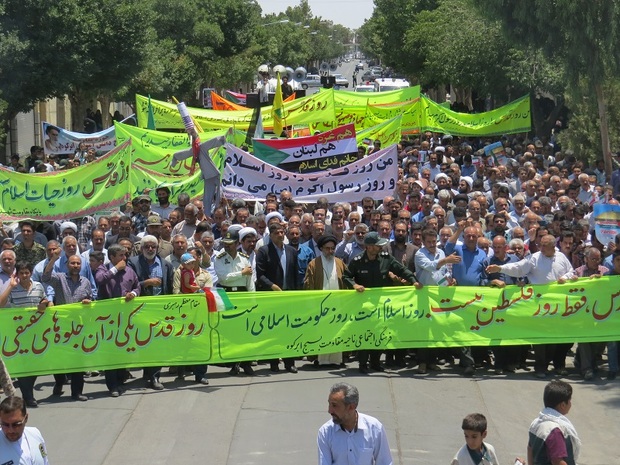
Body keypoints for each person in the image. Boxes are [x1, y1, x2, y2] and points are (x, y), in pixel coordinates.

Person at [343, 232, 421, 373]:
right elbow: (346, 276)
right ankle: (362, 364)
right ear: (370, 247)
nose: (381, 247)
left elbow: (401, 269)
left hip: (381, 303)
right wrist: (354, 285)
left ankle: (375, 362)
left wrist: (413, 280)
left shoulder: (385, 258)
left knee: (380, 332)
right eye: (378, 245)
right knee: (365, 333)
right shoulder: (357, 260)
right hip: (364, 304)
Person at [255, 222, 299, 373]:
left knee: (289, 331)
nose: (280, 235)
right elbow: (260, 275)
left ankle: (289, 362)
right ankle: (273, 362)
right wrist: (272, 285)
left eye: (282, 232)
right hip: (271, 297)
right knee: (273, 330)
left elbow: (295, 274)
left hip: (288, 297)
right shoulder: (264, 251)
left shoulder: (292, 251)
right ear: (271, 235)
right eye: (277, 233)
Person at [317, 382, 392, 465]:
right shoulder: (325, 432)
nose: (329, 410)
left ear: (351, 407)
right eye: (329, 404)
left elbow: (385, 462)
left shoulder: (374, 428)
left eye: (334, 405)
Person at [304, 235, 347, 366]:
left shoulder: (340, 263)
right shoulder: (313, 264)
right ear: (321, 248)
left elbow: (347, 281)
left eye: (332, 249)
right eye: (327, 248)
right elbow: (308, 285)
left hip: (337, 305)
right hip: (320, 306)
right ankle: (320, 359)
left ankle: (337, 360)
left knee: (337, 332)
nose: (330, 251)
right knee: (321, 332)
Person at [528, 380, 581, 465]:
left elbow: (530, 449)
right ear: (563, 405)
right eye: (570, 400)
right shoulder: (555, 431)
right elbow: (557, 461)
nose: (571, 404)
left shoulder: (536, 423)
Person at [0, 396, 49, 464]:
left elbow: (45, 461)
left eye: (16, 424)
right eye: (5, 424)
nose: (10, 430)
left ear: (26, 418)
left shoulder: (35, 434)